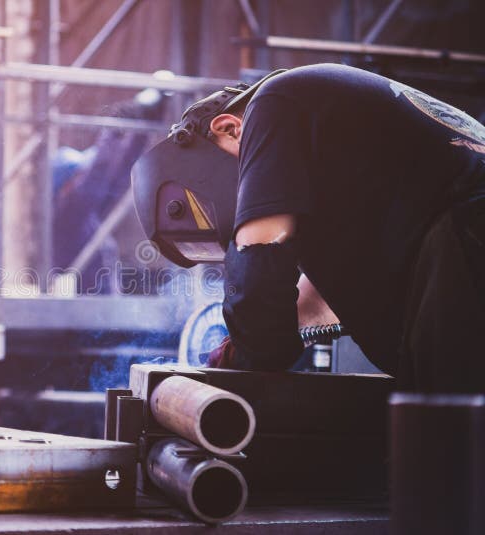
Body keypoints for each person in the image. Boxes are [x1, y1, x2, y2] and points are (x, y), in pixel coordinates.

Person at [131, 63, 485, 393]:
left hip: (466, 246)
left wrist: (250, 343)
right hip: (465, 249)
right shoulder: (334, 127)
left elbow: (260, 264)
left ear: (229, 128)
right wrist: (247, 339)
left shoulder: (271, 104)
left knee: (453, 438)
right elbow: (311, 297)